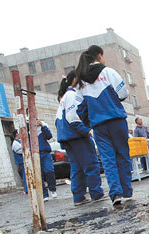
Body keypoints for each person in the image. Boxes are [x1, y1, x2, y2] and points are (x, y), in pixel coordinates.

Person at [76, 45, 132, 206]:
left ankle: (115, 194)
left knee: (108, 160)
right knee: (122, 155)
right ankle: (127, 191)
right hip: (116, 121)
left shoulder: (81, 82)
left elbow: (80, 108)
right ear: (99, 56)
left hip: (98, 125)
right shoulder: (108, 72)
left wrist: (90, 122)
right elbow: (123, 94)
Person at [56, 71, 104, 206]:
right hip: (76, 135)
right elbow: (73, 117)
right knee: (91, 164)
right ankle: (96, 193)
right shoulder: (72, 95)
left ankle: (79, 197)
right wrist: (87, 130)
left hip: (68, 137)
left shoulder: (65, 97)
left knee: (77, 167)